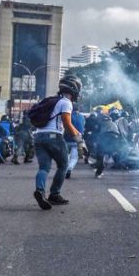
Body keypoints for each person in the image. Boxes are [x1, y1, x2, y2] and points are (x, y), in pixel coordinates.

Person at [32, 75, 85, 210]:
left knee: (44, 168)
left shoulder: (51, 101)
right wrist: (78, 139)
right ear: (74, 89)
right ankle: (54, 194)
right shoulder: (66, 102)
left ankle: (40, 191)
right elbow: (67, 123)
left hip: (38, 137)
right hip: (54, 137)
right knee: (63, 165)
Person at [64, 105, 85, 179]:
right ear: (78, 110)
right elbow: (83, 128)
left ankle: (65, 169)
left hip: (66, 139)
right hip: (77, 140)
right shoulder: (82, 117)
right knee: (74, 158)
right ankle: (69, 168)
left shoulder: (68, 116)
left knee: (66, 156)